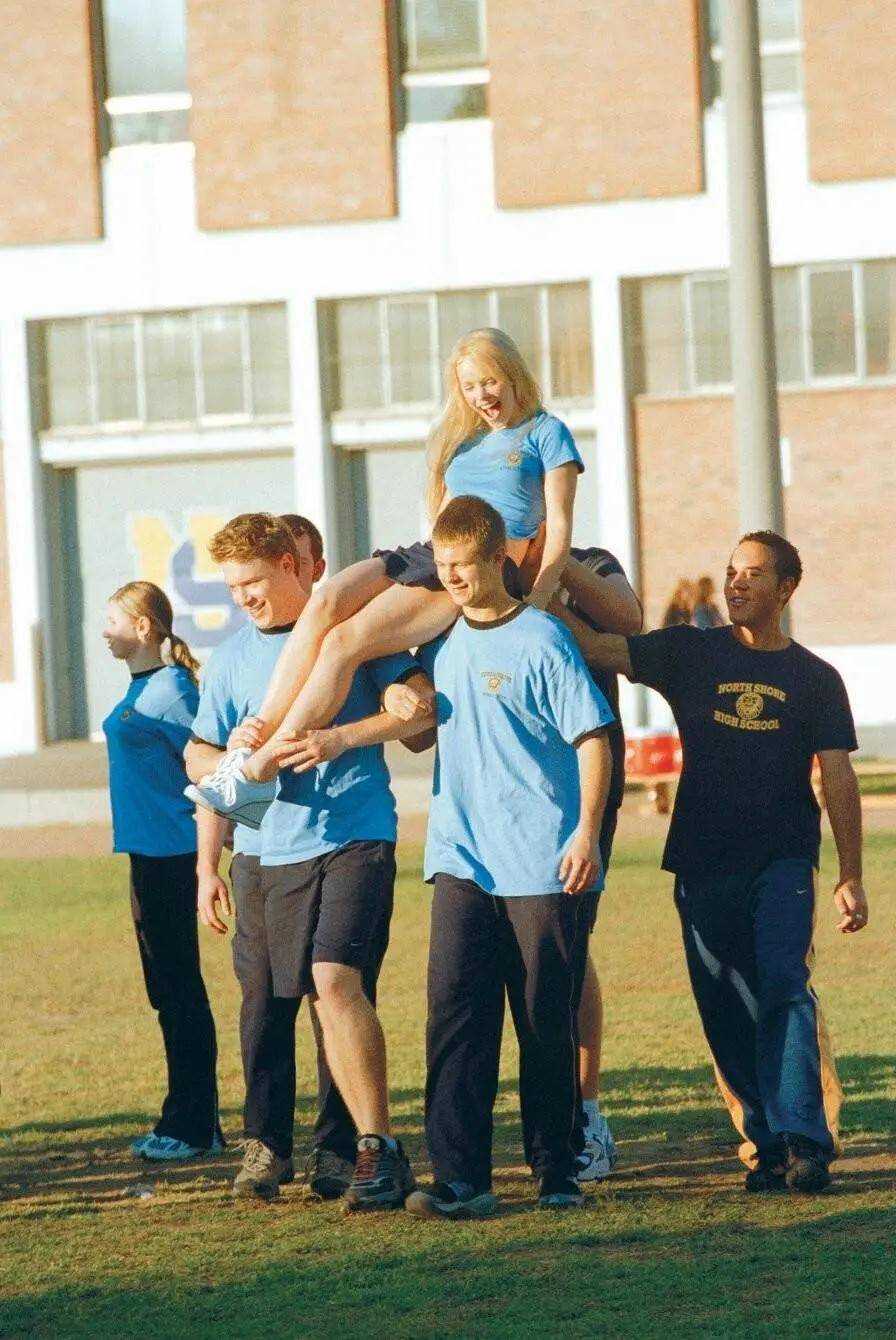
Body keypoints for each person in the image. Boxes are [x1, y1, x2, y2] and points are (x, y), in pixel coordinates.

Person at [554, 531, 868, 1194]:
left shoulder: (815, 679)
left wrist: (850, 874)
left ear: (786, 589)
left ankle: (805, 1140)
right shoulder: (690, 653)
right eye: (731, 571)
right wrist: (532, 590)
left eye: (754, 574)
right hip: (700, 861)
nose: (737, 583)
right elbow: (595, 647)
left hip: (782, 862)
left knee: (784, 986)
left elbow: (838, 778)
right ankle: (765, 1142)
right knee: (723, 1002)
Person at [188, 327, 585, 823]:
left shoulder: (547, 433)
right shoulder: (461, 441)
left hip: (480, 562)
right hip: (431, 551)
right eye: (468, 387)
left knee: (343, 644)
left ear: (511, 375)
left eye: (490, 381)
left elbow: (561, 528)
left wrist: (538, 600)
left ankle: (260, 768)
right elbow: (440, 511)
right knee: (326, 601)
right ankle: (256, 735)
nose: (481, 395)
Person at [186, 513, 434, 1206]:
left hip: (353, 836)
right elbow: (201, 760)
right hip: (263, 853)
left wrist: (351, 732)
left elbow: (418, 715)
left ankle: (346, 1148)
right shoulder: (231, 658)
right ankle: (265, 1147)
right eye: (233, 586)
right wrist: (208, 865)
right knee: (264, 1005)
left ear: (293, 566)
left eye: (254, 581)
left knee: (337, 985)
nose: (243, 597)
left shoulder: (350, 632)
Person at [403, 496, 614, 1220]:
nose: (453, 579)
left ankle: (556, 1169)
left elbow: (592, 738)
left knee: (541, 1018)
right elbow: (422, 735)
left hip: (539, 861)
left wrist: (585, 831)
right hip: (461, 858)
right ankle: (462, 1177)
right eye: (443, 567)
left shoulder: (544, 640)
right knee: (453, 1017)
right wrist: (408, 708)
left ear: (498, 560)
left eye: (464, 565)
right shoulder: (441, 642)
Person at [101, 581, 222, 1161]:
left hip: (173, 855)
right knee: (166, 989)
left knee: (178, 990)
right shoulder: (142, 686)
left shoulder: (173, 690)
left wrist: (210, 861)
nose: (106, 631)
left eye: (114, 621)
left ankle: (194, 1126)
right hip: (147, 855)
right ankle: (191, 1118)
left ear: (144, 627)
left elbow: (210, 767)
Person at [556, 546, 643, 1180]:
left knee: (569, 943)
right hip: (497, 785)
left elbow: (629, 619)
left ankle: (584, 1113)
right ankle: (541, 1115)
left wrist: (552, 563)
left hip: (584, 783)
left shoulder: (589, 560)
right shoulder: (469, 563)